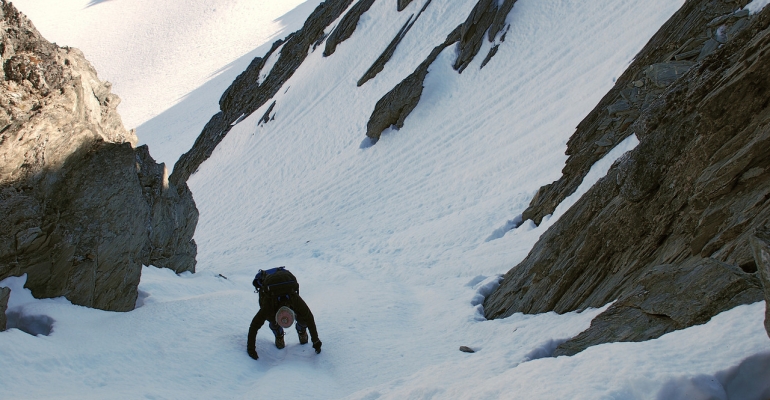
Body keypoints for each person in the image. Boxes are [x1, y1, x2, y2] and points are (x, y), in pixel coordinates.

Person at [247, 267, 322, 360]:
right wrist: (251, 350)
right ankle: (279, 333)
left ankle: (301, 329)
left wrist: (316, 341)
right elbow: (254, 325)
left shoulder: (293, 298)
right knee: (272, 320)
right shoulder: (269, 305)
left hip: (284, 295)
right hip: (272, 300)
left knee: (304, 319)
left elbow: (309, 317)